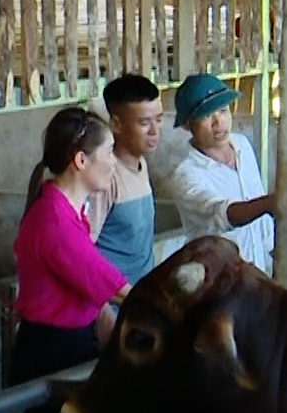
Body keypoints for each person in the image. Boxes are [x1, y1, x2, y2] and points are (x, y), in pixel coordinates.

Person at [7, 106, 129, 413]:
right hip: (52, 350)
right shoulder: (55, 220)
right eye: (109, 151)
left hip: (64, 342)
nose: (114, 160)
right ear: (81, 161)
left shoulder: (65, 209)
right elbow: (109, 284)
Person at [166, 72, 276, 275]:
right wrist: (268, 204)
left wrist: (272, 250)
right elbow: (222, 214)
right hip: (219, 282)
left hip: (259, 271)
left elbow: (259, 212)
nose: (219, 122)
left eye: (223, 110)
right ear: (187, 125)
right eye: (207, 116)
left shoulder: (242, 145)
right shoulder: (186, 176)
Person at [88, 74, 163, 286]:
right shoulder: (104, 178)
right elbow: (82, 255)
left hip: (139, 299)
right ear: (117, 124)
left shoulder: (141, 165)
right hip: (113, 305)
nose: (154, 131)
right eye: (144, 123)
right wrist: (104, 313)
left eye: (158, 120)